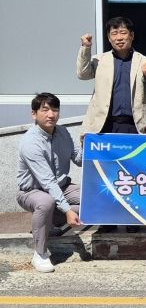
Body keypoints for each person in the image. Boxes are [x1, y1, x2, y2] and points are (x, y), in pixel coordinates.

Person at [17, 93, 82, 273]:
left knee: (92, 198)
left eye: (55, 110)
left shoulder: (63, 132)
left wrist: (90, 145)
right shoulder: (30, 143)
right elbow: (47, 182)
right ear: (34, 114)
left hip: (62, 186)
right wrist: (67, 210)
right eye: (45, 110)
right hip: (31, 191)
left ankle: (49, 222)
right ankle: (40, 253)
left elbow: (78, 159)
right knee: (47, 202)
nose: (51, 114)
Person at [76, 17, 146, 135]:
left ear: (132, 35)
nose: (119, 38)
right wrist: (86, 48)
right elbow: (82, 74)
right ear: (109, 38)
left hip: (135, 125)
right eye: (114, 33)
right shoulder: (100, 60)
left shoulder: (145, 62)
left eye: (123, 33)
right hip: (103, 125)